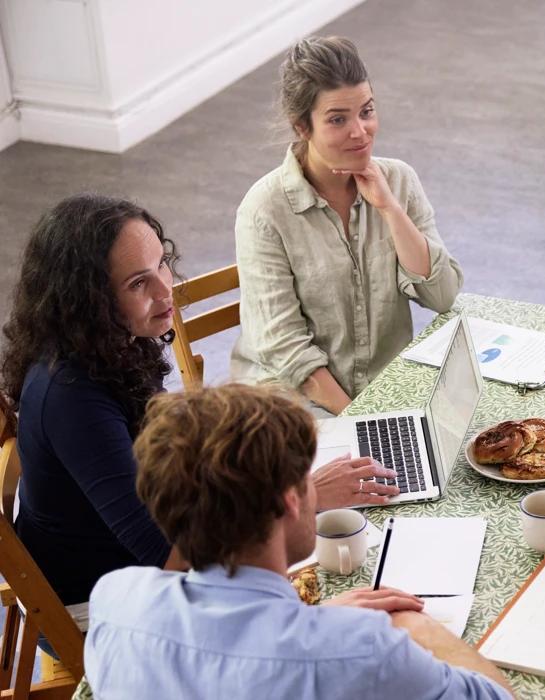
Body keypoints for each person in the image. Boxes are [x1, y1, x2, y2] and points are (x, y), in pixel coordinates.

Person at [0, 195, 399, 639]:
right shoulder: (73, 397)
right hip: (95, 602)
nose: (164, 291)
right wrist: (298, 500)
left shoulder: (109, 344)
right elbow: (168, 556)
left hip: (134, 550)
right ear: (86, 301)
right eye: (137, 284)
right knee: (324, 599)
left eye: (161, 265)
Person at [85, 384, 515, 700]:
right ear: (290, 501)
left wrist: (314, 620)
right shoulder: (361, 651)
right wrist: (414, 626)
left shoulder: (114, 600)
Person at [231, 36, 463, 415]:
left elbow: (441, 296)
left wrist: (389, 208)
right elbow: (288, 354)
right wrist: (362, 420)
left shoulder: (399, 180)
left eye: (367, 111)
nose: (360, 131)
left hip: (380, 391)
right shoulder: (263, 211)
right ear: (302, 127)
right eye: (338, 119)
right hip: (290, 404)